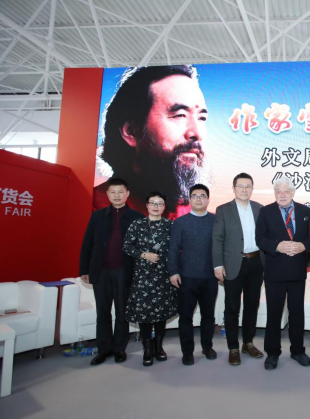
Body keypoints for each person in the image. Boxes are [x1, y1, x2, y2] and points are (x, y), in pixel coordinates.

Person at [94, 65, 211, 219]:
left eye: (202, 118)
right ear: (132, 131)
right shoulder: (93, 211)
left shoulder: (198, 216)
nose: (197, 133)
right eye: (180, 115)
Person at [79, 178, 144, 365]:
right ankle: (104, 350)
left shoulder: (137, 217)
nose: (117, 195)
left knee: (122, 313)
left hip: (124, 271)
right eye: (113, 192)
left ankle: (119, 349)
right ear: (107, 194)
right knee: (103, 313)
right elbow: (87, 243)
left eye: (120, 192)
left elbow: (141, 247)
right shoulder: (97, 216)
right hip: (101, 272)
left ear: (127, 194)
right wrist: (84, 269)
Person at [255, 177, 310, 370]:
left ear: (293, 192)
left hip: (297, 270)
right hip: (275, 272)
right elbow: (260, 239)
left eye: (286, 190)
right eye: (278, 191)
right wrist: (276, 246)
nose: (282, 194)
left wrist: (303, 246)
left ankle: (298, 350)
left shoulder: (304, 211)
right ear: (274, 193)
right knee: (274, 314)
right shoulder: (265, 211)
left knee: (297, 313)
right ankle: (272, 353)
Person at [212, 173, 265, 366]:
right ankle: (233, 347)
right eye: (240, 186)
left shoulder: (260, 209)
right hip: (233, 264)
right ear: (234, 188)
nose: (244, 189)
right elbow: (217, 239)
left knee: (252, 305)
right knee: (232, 307)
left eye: (248, 186)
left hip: (256, 263)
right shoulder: (223, 210)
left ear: (252, 189)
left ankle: (248, 343)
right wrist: (218, 264)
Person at [123, 191, 177, 367]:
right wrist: (144, 254)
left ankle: (158, 347)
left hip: (163, 276)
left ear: (164, 207)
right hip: (143, 276)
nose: (156, 206)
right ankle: (147, 348)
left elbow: (177, 248)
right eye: (152, 203)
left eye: (159, 203)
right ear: (147, 205)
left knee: (161, 313)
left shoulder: (170, 225)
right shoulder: (137, 225)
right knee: (144, 313)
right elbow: (127, 246)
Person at [168, 184, 217, 366]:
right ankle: (187, 352)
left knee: (208, 316)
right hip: (186, 277)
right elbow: (173, 249)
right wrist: (173, 271)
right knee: (186, 317)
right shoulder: (180, 222)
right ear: (189, 199)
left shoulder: (215, 221)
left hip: (210, 277)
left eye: (202, 196)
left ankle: (207, 347)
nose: (198, 199)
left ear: (208, 200)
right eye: (195, 196)